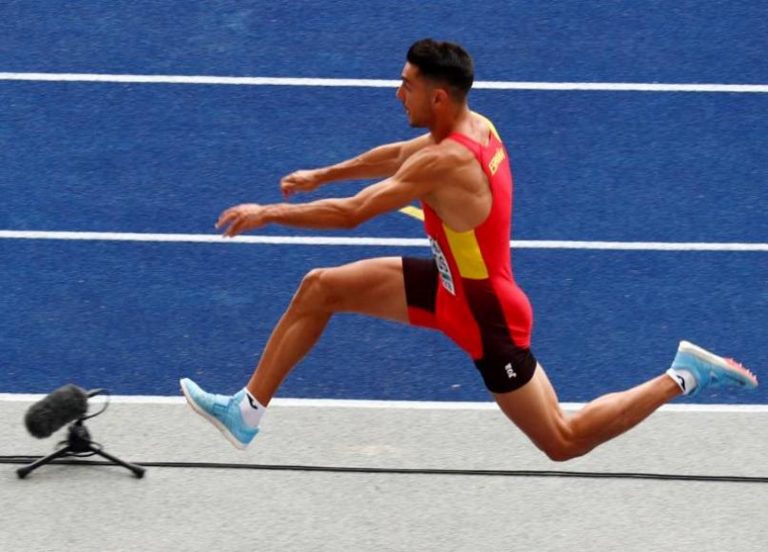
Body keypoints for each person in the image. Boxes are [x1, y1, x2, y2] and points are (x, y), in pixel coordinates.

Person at [180, 38, 758, 460]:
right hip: (448, 284)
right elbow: (397, 154)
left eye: (406, 83)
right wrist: (322, 173)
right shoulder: (471, 126)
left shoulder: (448, 161)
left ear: (437, 97)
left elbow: (357, 213)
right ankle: (248, 411)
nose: (397, 90)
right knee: (320, 288)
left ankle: (681, 376)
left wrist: (270, 212)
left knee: (563, 438)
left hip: (487, 317)